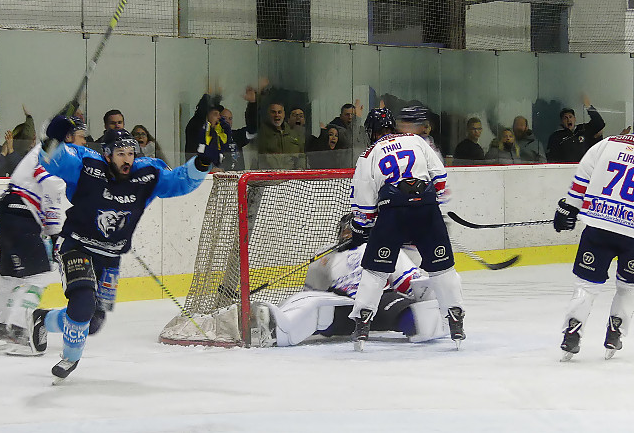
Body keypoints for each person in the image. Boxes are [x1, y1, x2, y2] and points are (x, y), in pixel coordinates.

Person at [37, 120, 214, 381]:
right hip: (76, 244)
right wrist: (52, 135)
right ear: (107, 154)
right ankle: (70, 358)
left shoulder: (147, 174)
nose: (127, 159)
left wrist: (201, 164)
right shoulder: (87, 165)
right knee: (83, 302)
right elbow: (54, 159)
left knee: (93, 323)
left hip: (110, 256)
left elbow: (179, 182)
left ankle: (43, 320)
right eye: (120, 154)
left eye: (130, 153)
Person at [348, 105, 465, 351]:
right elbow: (440, 178)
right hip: (426, 210)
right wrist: (434, 209)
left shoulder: (368, 155)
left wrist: (362, 226)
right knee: (443, 268)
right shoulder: (416, 141)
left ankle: (362, 324)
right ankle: (455, 319)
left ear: (371, 131)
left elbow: (365, 204)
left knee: (375, 271)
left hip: (393, 214)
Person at [250, 214, 448, 347]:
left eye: (353, 229)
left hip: (380, 300)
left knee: (420, 319)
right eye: (345, 230)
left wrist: (433, 300)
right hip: (345, 305)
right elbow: (311, 294)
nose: (348, 233)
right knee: (316, 313)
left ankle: (437, 320)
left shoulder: (384, 248)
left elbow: (409, 282)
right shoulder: (325, 257)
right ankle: (275, 329)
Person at [0, 117, 87, 355]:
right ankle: (20, 332)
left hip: (8, 212)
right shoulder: (53, 152)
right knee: (38, 276)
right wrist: (53, 230)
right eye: (81, 136)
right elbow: (53, 185)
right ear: (69, 137)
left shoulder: (44, 150)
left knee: (10, 278)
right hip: (22, 214)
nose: (85, 141)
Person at [552, 128, 634, 361]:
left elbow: (582, 178)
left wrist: (568, 207)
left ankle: (572, 332)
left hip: (598, 228)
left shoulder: (606, 144)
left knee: (586, 285)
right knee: (628, 287)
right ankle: (616, 330)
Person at [547, 96, 605, 163]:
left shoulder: (583, 129)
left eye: (570, 117)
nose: (568, 119)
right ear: (561, 121)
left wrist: (588, 106)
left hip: (584, 168)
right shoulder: (556, 136)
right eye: (565, 118)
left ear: (575, 119)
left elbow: (599, 124)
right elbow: (551, 158)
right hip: (565, 169)